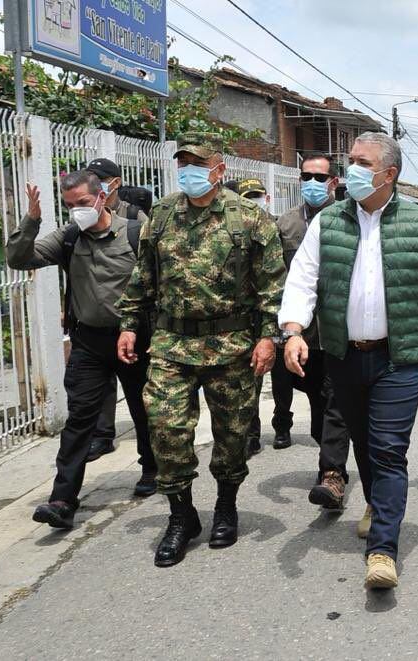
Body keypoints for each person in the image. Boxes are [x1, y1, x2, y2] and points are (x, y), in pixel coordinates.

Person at [280, 132, 418, 590]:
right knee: (362, 442)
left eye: (362, 162)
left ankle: (382, 549)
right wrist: (294, 331)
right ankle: (378, 503)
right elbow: (303, 279)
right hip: (343, 354)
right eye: (351, 160)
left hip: (399, 357)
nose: (352, 169)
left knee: (387, 449)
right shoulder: (331, 220)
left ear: (389, 174)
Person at [117, 132, 285, 567]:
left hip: (230, 344)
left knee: (232, 435)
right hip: (171, 343)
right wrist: (130, 324)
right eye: (184, 163)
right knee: (167, 431)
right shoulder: (162, 215)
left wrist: (269, 336)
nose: (189, 171)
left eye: (198, 163)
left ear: (219, 169)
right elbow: (143, 277)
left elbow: (272, 286)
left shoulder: (249, 218)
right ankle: (182, 516)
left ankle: (225, 505)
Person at [8, 171, 155, 529]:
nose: (77, 211)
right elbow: (19, 259)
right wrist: (32, 220)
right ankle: (62, 499)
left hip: (135, 337)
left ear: (102, 197)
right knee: (79, 420)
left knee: (144, 408)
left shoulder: (135, 233)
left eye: (83, 204)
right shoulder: (69, 237)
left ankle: (152, 469)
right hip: (89, 341)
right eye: (70, 205)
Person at [273, 155, 353, 508]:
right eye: (306, 176)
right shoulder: (286, 224)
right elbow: (276, 278)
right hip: (301, 335)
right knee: (319, 410)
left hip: (340, 331)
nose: (313, 182)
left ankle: (331, 474)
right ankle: (330, 459)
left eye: (320, 177)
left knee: (336, 401)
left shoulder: (351, 219)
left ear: (334, 182)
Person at [82, 158, 151, 463]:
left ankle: (149, 458)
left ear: (115, 182)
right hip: (95, 323)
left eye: (100, 179)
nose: (95, 184)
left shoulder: (136, 218)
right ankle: (102, 435)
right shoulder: (83, 219)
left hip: (133, 323)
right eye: (90, 179)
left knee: (138, 393)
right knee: (101, 387)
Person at [236, 178, 277, 457]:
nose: (253, 201)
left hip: (260, 315)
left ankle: (252, 432)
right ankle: (243, 431)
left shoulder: (275, 226)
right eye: (247, 196)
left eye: (256, 196)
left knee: (253, 377)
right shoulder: (233, 227)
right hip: (235, 316)